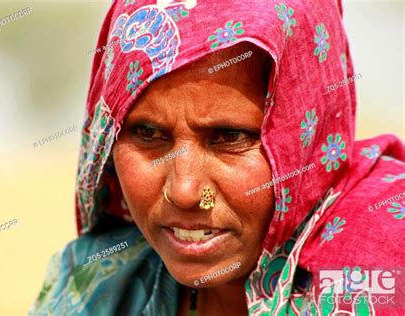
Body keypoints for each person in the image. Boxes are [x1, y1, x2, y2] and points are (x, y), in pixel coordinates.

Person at [30, 0, 405, 315]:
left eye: (230, 137)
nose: (184, 192)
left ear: (307, 134)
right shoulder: (96, 283)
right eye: (147, 134)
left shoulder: (385, 271)